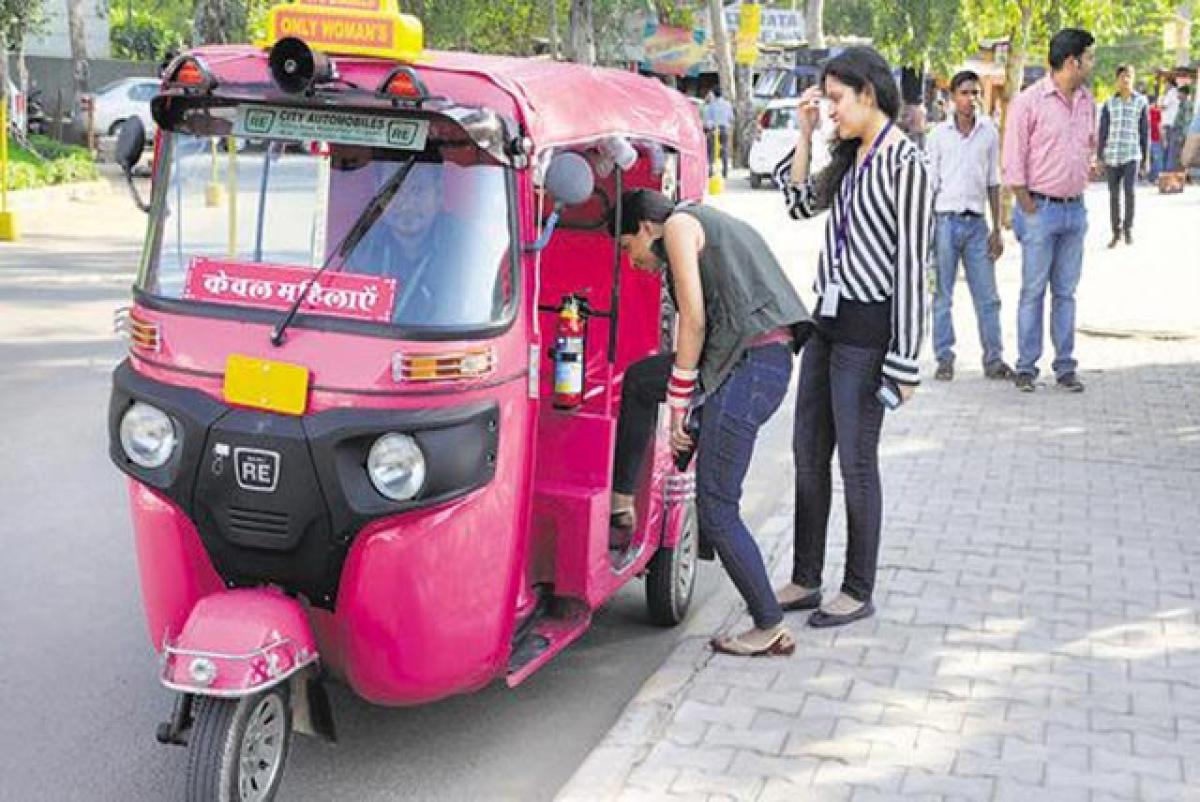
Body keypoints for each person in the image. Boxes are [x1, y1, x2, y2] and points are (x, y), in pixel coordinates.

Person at [607, 189, 811, 657]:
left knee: (717, 508)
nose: (631, 261)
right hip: (745, 363)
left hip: (755, 366)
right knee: (640, 381)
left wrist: (681, 407)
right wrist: (691, 407)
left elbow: (694, 324)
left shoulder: (678, 226)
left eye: (627, 248)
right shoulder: (694, 226)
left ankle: (769, 624)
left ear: (643, 227)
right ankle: (623, 504)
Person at [771, 47, 933, 628]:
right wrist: (807, 132)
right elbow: (795, 205)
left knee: (855, 463)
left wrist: (905, 362)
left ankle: (857, 588)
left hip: (869, 333)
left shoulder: (903, 163)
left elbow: (915, 267)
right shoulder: (848, 156)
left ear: (869, 94)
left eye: (836, 99)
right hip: (825, 325)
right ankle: (805, 578)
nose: (831, 108)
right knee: (807, 453)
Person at [1003, 28, 1096, 394]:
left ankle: (1065, 367)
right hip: (1039, 209)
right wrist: (1029, 206)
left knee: (1066, 293)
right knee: (1032, 291)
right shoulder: (1029, 102)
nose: (1092, 63)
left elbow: (1088, 145)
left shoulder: (1087, 101)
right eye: (1089, 57)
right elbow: (1012, 161)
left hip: (1075, 211)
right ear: (1072, 61)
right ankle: (1026, 367)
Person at [926, 69, 1012, 382]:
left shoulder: (988, 133)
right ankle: (944, 358)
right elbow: (930, 185)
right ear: (952, 98)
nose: (971, 99)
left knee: (988, 297)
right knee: (942, 296)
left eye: (975, 93)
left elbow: (993, 182)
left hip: (977, 225)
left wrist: (997, 228)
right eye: (964, 93)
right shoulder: (937, 136)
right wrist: (927, 231)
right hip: (945, 222)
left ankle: (994, 359)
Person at [1097, 65, 1149, 247]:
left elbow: (1144, 132)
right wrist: (1099, 157)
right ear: (1116, 80)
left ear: (1132, 79)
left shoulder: (1141, 102)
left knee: (1130, 192)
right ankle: (1115, 232)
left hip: (1132, 154)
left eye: (1128, 76)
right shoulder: (1109, 103)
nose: (1125, 80)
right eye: (1121, 77)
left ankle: (1128, 229)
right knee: (1114, 195)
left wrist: (1145, 159)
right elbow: (1102, 131)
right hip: (1112, 154)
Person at [702, 87, 734, 178]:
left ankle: (711, 170)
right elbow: (731, 118)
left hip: (713, 130)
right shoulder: (728, 104)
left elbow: (707, 120)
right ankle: (725, 171)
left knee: (711, 151)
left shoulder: (711, 105)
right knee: (724, 150)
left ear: (714, 94)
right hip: (724, 129)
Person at [1148, 96, 1164, 183]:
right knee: (1158, 159)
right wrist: (1163, 138)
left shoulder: (1145, 112)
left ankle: (1152, 177)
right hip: (1155, 138)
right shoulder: (1156, 112)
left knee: (1153, 159)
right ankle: (1157, 178)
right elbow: (1159, 126)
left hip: (1147, 139)